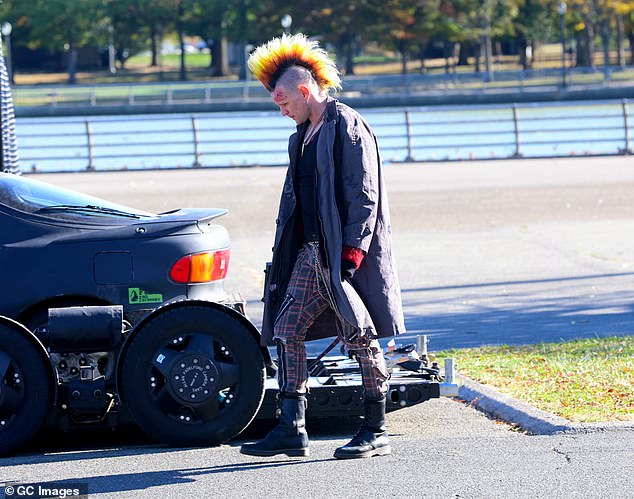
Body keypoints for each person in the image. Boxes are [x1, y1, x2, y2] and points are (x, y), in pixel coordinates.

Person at [240, 33, 405, 460]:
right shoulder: (301, 136)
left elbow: (363, 192)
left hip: (340, 257)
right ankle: (292, 429)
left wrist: (353, 251)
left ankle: (376, 427)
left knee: (360, 336)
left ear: (303, 89)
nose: (281, 109)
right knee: (285, 330)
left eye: (282, 100)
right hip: (310, 254)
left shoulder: (345, 124)